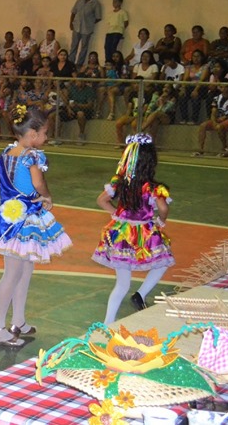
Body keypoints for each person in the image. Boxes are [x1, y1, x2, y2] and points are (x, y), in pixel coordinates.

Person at [0, 105, 72, 346]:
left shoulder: (9, 151)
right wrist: (47, 196)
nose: (46, 137)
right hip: (22, 217)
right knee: (12, 273)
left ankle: (18, 320)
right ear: (32, 135)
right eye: (44, 133)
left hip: (10, 211)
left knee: (25, 268)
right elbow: (38, 182)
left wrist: (8, 186)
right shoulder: (32, 156)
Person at [93, 133, 173, 323]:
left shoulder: (120, 183)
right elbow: (163, 207)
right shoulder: (153, 188)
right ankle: (140, 294)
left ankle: (108, 322)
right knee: (163, 262)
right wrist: (161, 221)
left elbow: (101, 200)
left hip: (121, 233)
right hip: (144, 232)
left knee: (122, 284)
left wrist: (117, 214)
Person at [192, 84, 228, 157]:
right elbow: (213, 111)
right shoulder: (217, 98)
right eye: (220, 87)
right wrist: (214, 121)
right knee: (203, 125)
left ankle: (225, 148)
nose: (221, 88)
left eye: (224, 86)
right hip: (218, 118)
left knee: (219, 127)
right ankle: (201, 150)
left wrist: (224, 117)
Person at [69, 0, 103, 67]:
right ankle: (70, 63)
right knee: (74, 45)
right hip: (76, 27)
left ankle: (79, 64)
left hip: (87, 29)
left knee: (84, 47)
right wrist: (71, 23)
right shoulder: (79, 0)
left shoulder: (95, 3)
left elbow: (98, 17)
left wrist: (90, 23)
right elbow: (73, 12)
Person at [103, 0, 129, 64]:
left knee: (113, 47)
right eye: (113, 1)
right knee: (106, 47)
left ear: (120, 3)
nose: (114, 3)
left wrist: (122, 30)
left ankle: (113, 62)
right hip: (110, 32)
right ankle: (108, 61)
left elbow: (126, 22)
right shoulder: (110, 13)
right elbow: (109, 23)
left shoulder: (123, 12)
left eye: (116, 1)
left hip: (117, 31)